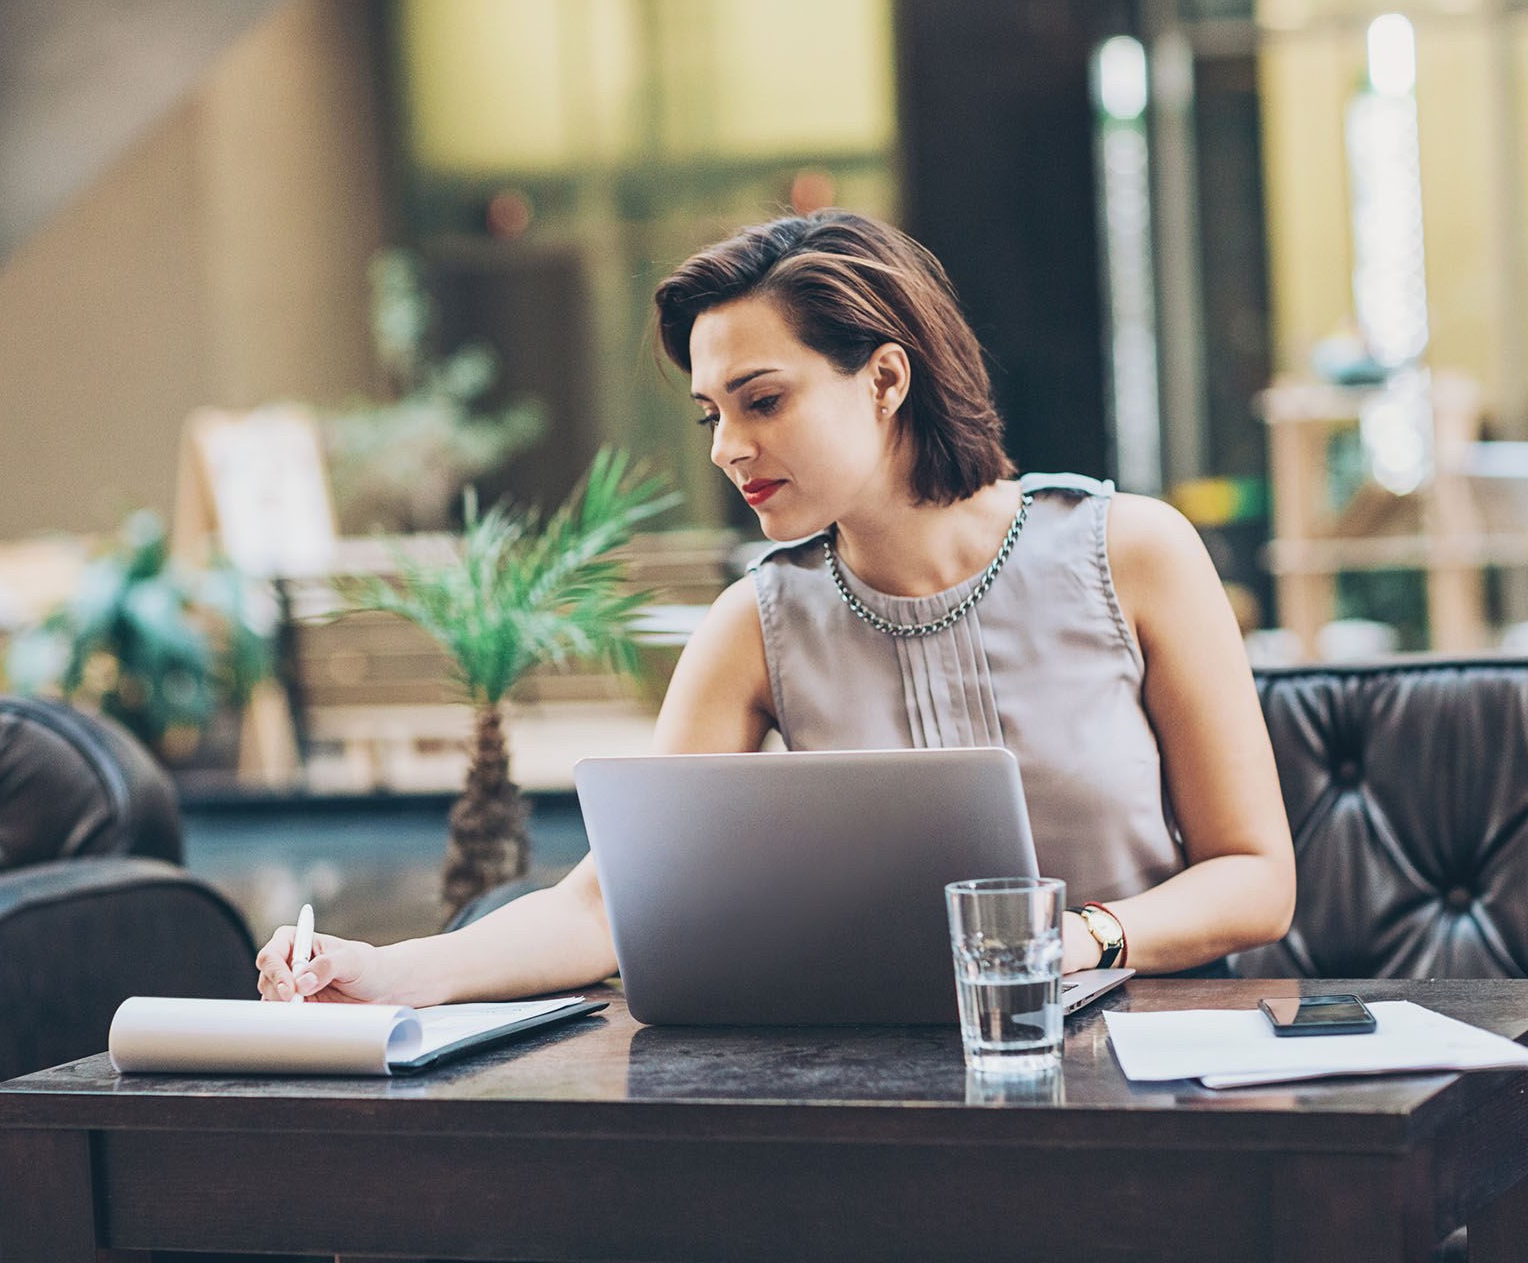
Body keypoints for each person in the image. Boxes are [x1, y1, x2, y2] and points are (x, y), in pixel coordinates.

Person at [258, 209, 1295, 1005]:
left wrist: (1081, 941)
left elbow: (1255, 875)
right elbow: (612, 900)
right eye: (713, 413)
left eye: (764, 400)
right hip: (903, 1100)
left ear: (886, 377)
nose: (726, 447)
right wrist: (390, 974)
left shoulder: (1134, 550)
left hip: (1158, 1060)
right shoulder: (755, 624)